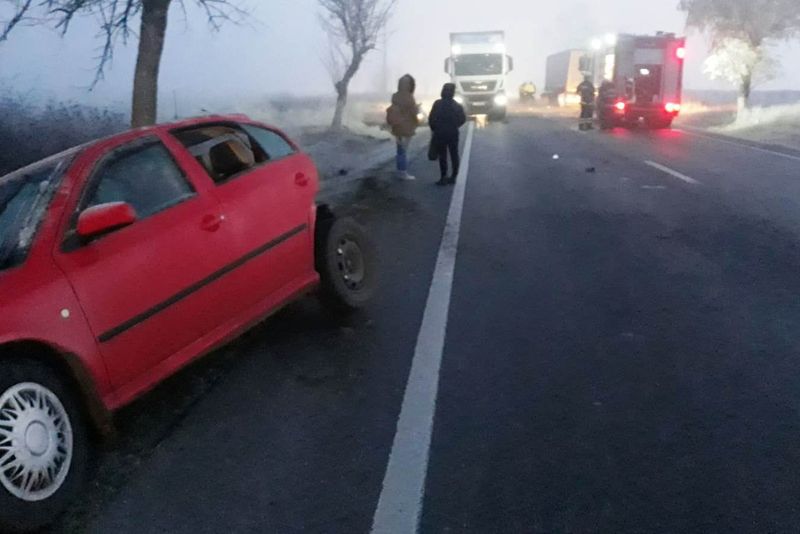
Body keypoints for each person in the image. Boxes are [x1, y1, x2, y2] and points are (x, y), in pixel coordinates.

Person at [428, 83, 467, 186]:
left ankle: (443, 177)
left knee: (443, 155)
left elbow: (431, 118)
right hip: (453, 133)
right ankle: (453, 176)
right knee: (454, 154)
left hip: (440, 133)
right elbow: (463, 119)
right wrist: (455, 126)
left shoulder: (437, 104)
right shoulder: (456, 105)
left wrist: (434, 128)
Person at [386, 74, 420, 180]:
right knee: (403, 151)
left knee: (399, 150)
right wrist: (417, 110)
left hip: (397, 126)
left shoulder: (395, 96)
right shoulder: (409, 97)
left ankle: (399, 170)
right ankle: (403, 172)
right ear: (410, 85)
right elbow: (413, 112)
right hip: (406, 127)